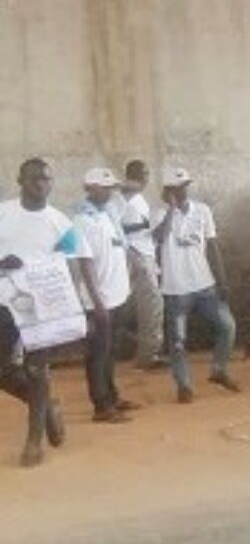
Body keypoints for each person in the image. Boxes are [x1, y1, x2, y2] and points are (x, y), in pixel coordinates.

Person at [0, 159, 78, 466]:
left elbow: (70, 266)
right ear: (20, 180)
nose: (41, 184)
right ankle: (46, 406)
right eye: (34, 179)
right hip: (4, 303)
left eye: (47, 179)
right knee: (3, 373)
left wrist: (71, 304)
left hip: (43, 309)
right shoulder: (3, 213)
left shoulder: (61, 223)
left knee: (37, 370)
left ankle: (34, 442)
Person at [153, 167, 240, 403]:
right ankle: (184, 386)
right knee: (178, 342)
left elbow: (212, 246)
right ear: (168, 190)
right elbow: (159, 237)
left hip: (205, 285)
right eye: (178, 188)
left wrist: (222, 280)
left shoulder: (202, 211)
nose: (183, 191)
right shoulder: (159, 213)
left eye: (185, 186)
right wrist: (171, 209)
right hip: (175, 290)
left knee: (227, 326)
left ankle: (218, 370)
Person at [73, 168, 139, 423]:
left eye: (112, 187)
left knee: (110, 351)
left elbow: (131, 188)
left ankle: (112, 396)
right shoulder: (82, 220)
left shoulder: (107, 214)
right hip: (99, 300)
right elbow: (84, 262)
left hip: (117, 295)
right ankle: (101, 406)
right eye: (106, 187)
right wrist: (96, 301)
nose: (111, 191)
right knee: (98, 353)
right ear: (90, 187)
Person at [117, 159, 164, 370]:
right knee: (151, 303)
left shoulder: (138, 198)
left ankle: (144, 351)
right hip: (136, 253)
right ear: (131, 174)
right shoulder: (124, 195)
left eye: (146, 174)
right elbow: (121, 226)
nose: (145, 178)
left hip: (144, 251)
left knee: (139, 305)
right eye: (141, 173)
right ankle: (147, 356)